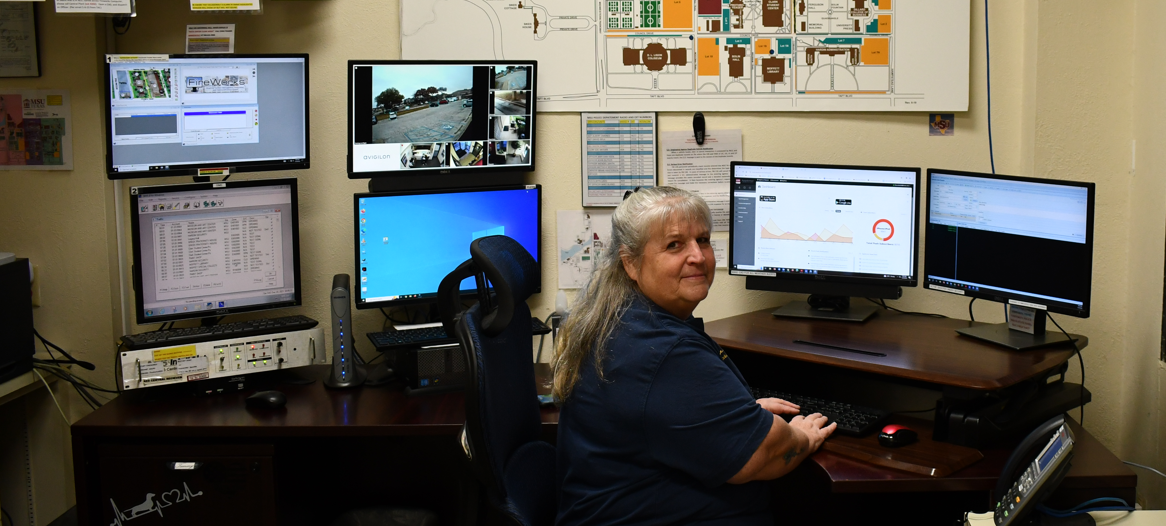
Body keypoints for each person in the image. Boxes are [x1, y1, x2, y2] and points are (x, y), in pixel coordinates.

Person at [552, 186, 836, 525]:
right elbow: (766, 454)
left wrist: (734, 415)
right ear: (631, 262)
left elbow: (657, 414)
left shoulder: (616, 318)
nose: (698, 256)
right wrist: (801, 436)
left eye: (702, 240)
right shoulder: (663, 352)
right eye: (674, 245)